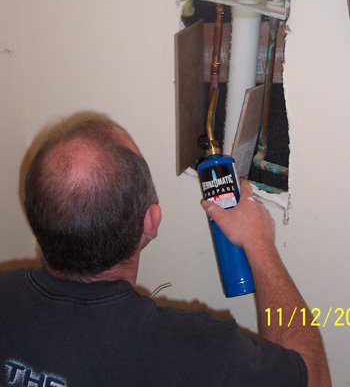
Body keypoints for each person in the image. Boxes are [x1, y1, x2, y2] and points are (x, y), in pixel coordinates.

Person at [0, 116, 331, 387]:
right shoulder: (196, 353)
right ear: (150, 223)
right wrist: (260, 244)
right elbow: (314, 378)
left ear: (36, 215)